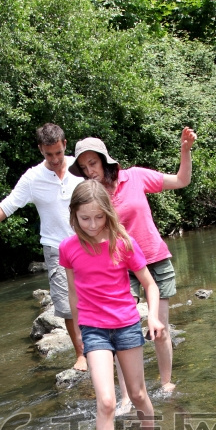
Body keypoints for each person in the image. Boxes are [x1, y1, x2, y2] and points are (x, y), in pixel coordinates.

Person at [69, 127, 197, 398]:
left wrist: (185, 151)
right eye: (84, 166)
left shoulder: (135, 177)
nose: (90, 170)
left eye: (93, 163)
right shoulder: (92, 197)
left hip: (155, 259)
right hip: (119, 268)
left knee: (160, 329)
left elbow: (181, 180)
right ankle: (127, 396)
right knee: (120, 334)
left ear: (105, 160)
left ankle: (165, 383)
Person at [59, 181, 164, 430]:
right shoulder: (68, 248)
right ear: (74, 216)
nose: (91, 225)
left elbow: (150, 284)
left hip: (127, 325)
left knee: (137, 393)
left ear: (107, 214)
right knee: (106, 401)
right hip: (94, 330)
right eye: (84, 219)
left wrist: (154, 316)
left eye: (98, 218)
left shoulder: (123, 242)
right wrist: (79, 340)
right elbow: (75, 297)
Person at [0, 123, 87, 370]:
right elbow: (5, 208)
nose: (55, 159)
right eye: (49, 154)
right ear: (40, 150)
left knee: (95, 296)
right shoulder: (32, 178)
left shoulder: (80, 167)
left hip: (88, 244)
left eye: (58, 153)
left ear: (65, 145)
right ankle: (81, 354)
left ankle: (103, 344)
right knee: (67, 306)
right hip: (56, 248)